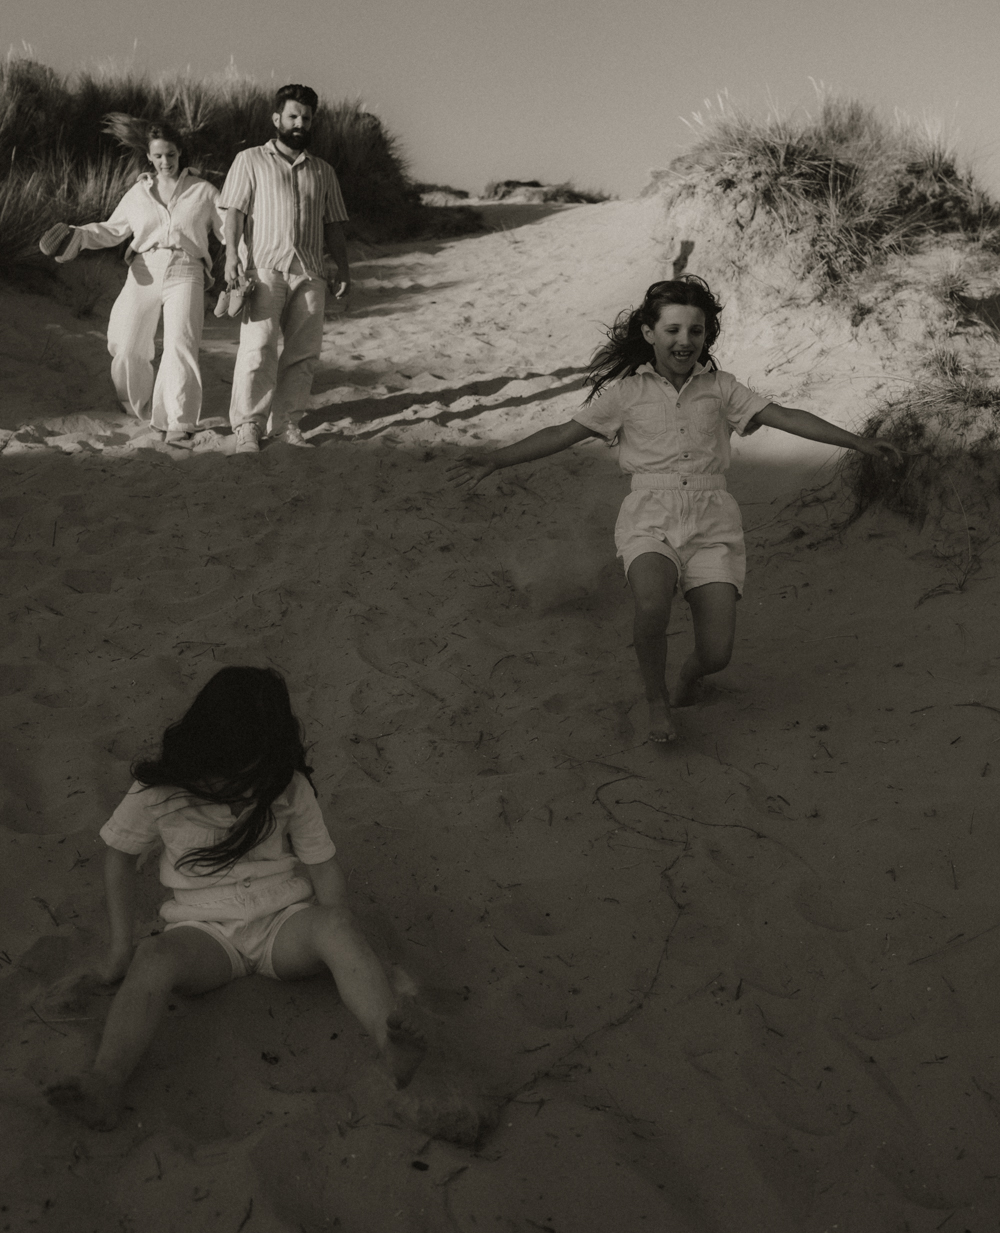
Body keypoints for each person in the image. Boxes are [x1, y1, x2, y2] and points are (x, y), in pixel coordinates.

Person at [451, 276, 901, 744]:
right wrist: (495, 458)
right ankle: (656, 702)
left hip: (712, 522)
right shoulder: (625, 395)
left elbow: (784, 415)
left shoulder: (722, 389)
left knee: (717, 652)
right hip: (650, 515)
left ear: (706, 336)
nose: (684, 341)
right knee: (651, 603)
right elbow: (563, 434)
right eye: (672, 330)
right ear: (649, 333)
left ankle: (689, 677)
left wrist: (858, 442)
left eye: (696, 331)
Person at [45, 666, 425, 1131]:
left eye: (255, 777)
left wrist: (346, 939)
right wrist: (119, 950)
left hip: (282, 923)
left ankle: (391, 1043)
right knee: (154, 956)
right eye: (231, 777)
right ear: (203, 750)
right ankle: (105, 1080)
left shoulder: (288, 786)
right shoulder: (158, 792)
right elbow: (119, 859)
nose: (244, 792)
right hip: (202, 935)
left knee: (337, 927)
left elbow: (323, 868)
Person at [39, 120, 224, 448]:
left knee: (180, 343)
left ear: (180, 152)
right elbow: (112, 230)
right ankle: (136, 406)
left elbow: (230, 232)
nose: (165, 161)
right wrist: (78, 235)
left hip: (187, 269)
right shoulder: (138, 193)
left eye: (171, 154)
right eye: (158, 156)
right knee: (126, 342)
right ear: (149, 158)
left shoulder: (205, 192)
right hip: (144, 269)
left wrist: (247, 261)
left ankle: (179, 420)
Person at [218, 83, 353, 453]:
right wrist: (231, 256)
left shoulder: (323, 171)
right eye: (293, 116)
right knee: (257, 348)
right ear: (277, 118)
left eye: (306, 118)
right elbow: (235, 212)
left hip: (310, 271)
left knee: (303, 353)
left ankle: (287, 425)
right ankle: (248, 426)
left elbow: (334, 225)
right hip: (264, 268)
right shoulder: (250, 160)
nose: (300, 123)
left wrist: (343, 268)